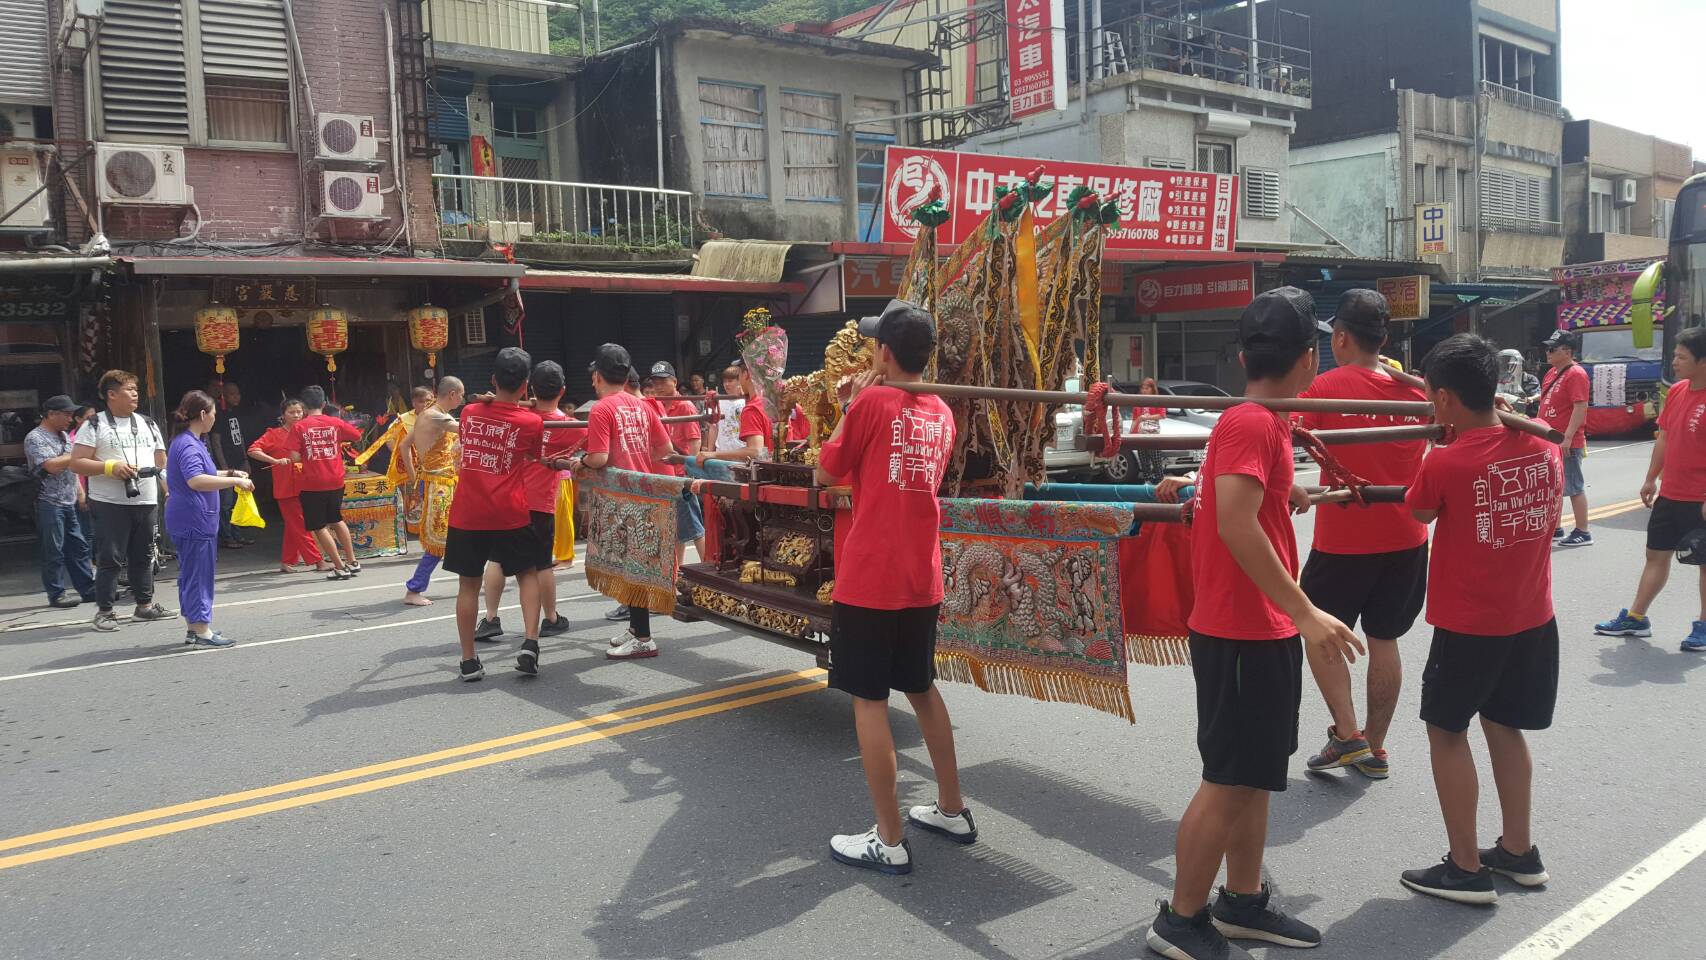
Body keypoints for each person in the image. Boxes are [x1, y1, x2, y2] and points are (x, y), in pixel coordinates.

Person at [1147, 288, 1361, 960]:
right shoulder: (1251, 423)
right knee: (1230, 780)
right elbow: (1236, 522)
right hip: (1243, 629)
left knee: (1257, 774)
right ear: (1309, 358)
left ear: (1244, 354)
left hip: (1253, 628)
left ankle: (1242, 901)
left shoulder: (1261, 423)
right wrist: (1307, 611)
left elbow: (1238, 499)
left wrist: (1281, 488)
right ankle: (1179, 921)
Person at [810, 300, 970, 877]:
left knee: (869, 700)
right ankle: (951, 808)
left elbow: (826, 471)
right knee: (921, 687)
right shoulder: (942, 412)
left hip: (872, 575)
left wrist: (849, 404)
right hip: (920, 575)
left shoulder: (871, 402)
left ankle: (890, 836)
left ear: (883, 352)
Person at [1399, 333, 1559, 904]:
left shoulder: (1446, 460)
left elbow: (1418, 510)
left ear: (1443, 399)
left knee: (1447, 732)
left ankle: (1466, 868)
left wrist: (1436, 449)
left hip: (1472, 625)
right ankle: (1519, 851)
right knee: (1504, 726)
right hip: (1533, 617)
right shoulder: (1545, 448)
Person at [1295, 289, 1431, 781]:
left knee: (1317, 632)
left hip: (1344, 544)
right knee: (1386, 640)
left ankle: (1349, 735)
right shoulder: (1419, 392)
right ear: (1385, 339)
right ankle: (1373, 747)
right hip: (1407, 538)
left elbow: (1276, 429)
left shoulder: (1327, 386)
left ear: (1342, 337)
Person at [1596, 326, 1706, 651]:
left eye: (1682, 357)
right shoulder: (1678, 391)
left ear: (1703, 361)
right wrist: (1650, 477)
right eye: (1674, 355)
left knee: (1704, 564)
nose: (1674, 362)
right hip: (1670, 494)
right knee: (1655, 555)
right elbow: (1666, 437)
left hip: (1699, 498)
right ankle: (1637, 617)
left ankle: (1703, 626)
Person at [446, 349, 551, 681]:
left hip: (468, 512)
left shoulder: (469, 412)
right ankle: (530, 644)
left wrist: (495, 401)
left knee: (467, 586)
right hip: (510, 511)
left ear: (493, 379)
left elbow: (484, 411)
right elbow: (534, 454)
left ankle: (468, 660)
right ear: (525, 385)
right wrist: (523, 406)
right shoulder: (532, 421)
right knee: (527, 573)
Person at [581, 343, 677, 660]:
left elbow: (598, 457)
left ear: (597, 377)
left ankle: (644, 637)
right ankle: (637, 629)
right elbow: (663, 450)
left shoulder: (602, 409)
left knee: (631, 567)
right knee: (633, 565)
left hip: (620, 498)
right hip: (643, 494)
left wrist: (579, 462)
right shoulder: (643, 406)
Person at [478, 362, 583, 636]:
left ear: (532, 388)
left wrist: (524, 402)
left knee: (498, 559)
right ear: (563, 390)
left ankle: (490, 619)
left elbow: (499, 406)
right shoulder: (573, 425)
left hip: (507, 498)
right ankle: (550, 618)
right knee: (541, 563)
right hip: (541, 503)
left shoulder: (518, 415)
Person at [70, 369, 171, 632]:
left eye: (136, 389)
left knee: (145, 555)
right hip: (108, 501)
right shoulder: (94, 424)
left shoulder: (148, 423)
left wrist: (168, 489)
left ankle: (144, 606)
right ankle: (105, 612)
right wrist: (110, 467)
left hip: (146, 499)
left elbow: (161, 462)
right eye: (129, 389)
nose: (135, 394)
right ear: (111, 395)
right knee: (110, 558)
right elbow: (77, 463)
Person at [165, 390, 255, 648]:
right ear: (203, 414)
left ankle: (195, 627)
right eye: (213, 413)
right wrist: (235, 480)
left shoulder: (189, 441)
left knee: (192, 574)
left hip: (190, 518)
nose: (215, 418)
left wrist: (228, 471)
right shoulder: (188, 443)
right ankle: (202, 629)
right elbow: (196, 480)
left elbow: (201, 472)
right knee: (199, 575)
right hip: (194, 518)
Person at [25, 395, 96, 609]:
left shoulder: (64, 435)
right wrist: (78, 454)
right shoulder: (35, 438)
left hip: (68, 500)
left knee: (79, 546)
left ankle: (88, 589)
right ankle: (56, 593)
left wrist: (80, 492)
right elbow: (52, 465)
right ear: (51, 414)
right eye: (66, 414)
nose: (70, 418)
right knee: (53, 550)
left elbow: (71, 468)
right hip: (48, 501)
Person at [287, 385, 363, 580]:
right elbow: (357, 435)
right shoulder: (334, 422)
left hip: (312, 483)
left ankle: (339, 566)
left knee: (319, 525)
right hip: (336, 479)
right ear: (323, 403)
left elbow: (295, 457)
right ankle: (353, 562)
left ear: (303, 406)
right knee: (336, 519)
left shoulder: (299, 427)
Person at [402, 377, 466, 608]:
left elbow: (404, 446)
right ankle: (414, 588)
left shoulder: (426, 415)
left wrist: (415, 475)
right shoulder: (436, 416)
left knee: (458, 533)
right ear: (452, 394)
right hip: (439, 485)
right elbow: (467, 428)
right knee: (439, 539)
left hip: (441, 481)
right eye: (461, 395)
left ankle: (469, 578)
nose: (462, 399)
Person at [247, 398, 326, 572]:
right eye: (292, 412)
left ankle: (287, 561)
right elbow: (253, 450)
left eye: (299, 411)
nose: (296, 415)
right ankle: (318, 561)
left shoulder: (306, 431)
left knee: (294, 526)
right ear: (283, 415)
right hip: (286, 487)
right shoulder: (274, 434)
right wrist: (274, 460)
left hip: (307, 484)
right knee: (301, 526)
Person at [645, 360, 706, 565]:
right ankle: (677, 570)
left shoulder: (685, 406)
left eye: (663, 381)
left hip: (681, 473)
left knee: (694, 526)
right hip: (667, 474)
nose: (659, 386)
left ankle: (707, 569)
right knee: (676, 527)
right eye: (655, 382)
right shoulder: (657, 406)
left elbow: (694, 441)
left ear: (674, 381)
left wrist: (690, 473)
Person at [1537, 329, 1592, 547]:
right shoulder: (1551, 373)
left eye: (1553, 348)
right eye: (1548, 348)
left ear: (1567, 351)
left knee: (1573, 485)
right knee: (1554, 486)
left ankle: (1583, 531)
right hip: (1550, 439)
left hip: (1566, 440)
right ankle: (1556, 528)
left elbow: (1580, 407)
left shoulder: (1576, 374)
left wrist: (1567, 437)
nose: (1548, 352)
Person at [206, 379, 251, 549]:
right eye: (232, 394)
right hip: (226, 465)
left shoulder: (236, 413)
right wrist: (224, 466)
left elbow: (240, 439)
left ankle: (237, 534)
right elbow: (216, 441)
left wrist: (245, 459)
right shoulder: (219, 415)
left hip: (239, 462)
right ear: (222, 395)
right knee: (225, 503)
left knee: (237, 502)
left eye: (238, 393)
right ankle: (226, 536)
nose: (236, 397)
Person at [705, 365, 748, 456]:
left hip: (742, 451)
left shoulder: (747, 401)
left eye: (730, 381)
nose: (727, 384)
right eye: (725, 381)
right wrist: (709, 452)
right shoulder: (719, 402)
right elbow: (714, 428)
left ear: (739, 380)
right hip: (721, 452)